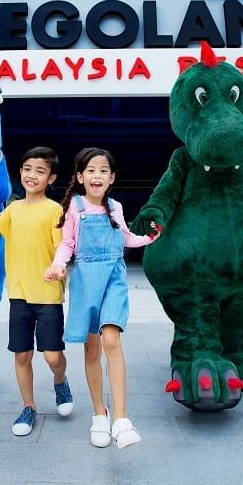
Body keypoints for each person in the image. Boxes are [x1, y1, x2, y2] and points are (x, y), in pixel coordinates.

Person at [44, 148, 157, 449]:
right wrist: (58, 265)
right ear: (81, 177)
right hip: (85, 282)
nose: (97, 175)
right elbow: (67, 244)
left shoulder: (116, 207)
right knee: (92, 349)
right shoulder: (75, 207)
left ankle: (121, 418)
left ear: (112, 178)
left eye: (103, 170)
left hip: (113, 279)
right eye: (91, 170)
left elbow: (126, 237)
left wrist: (149, 239)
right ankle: (99, 413)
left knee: (111, 340)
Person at [0, 147, 73, 437]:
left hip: (48, 295)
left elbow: (62, 249)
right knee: (21, 356)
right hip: (19, 295)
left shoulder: (55, 211)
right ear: (20, 172)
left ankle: (60, 380)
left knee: (53, 357)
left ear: (50, 178)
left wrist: (59, 269)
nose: (32, 175)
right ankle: (28, 407)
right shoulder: (13, 210)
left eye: (40, 171)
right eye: (27, 169)